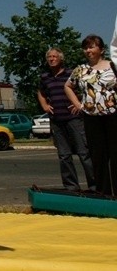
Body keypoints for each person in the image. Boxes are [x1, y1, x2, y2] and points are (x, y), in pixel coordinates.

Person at [64, 35, 117, 195]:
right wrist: (78, 104)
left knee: (116, 154)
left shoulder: (113, 66)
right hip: (91, 118)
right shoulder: (81, 70)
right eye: (86, 48)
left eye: (92, 47)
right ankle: (103, 192)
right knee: (97, 156)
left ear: (101, 49)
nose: (88, 50)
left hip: (113, 116)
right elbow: (67, 86)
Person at [37, 47, 95, 192]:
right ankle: (71, 186)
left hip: (74, 119)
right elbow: (40, 92)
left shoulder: (71, 74)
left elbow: (86, 89)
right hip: (57, 120)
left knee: (84, 153)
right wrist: (44, 105)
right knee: (64, 155)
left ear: (61, 58)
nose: (51, 59)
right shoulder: (45, 77)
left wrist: (79, 104)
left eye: (54, 56)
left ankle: (95, 185)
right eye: (49, 57)